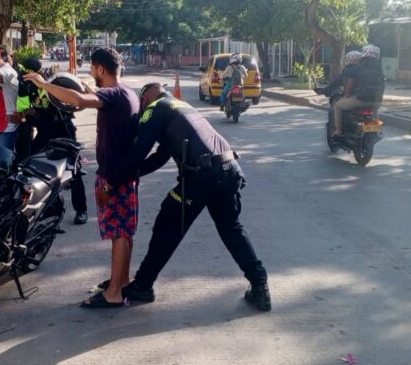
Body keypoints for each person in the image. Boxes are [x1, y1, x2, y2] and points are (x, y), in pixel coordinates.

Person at [102, 83, 271, 312]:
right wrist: (132, 175)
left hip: (202, 176)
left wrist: (112, 179)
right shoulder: (182, 107)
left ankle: (143, 285)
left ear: (144, 100)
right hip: (229, 169)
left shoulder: (156, 107)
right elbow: (160, 157)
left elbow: (138, 150)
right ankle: (260, 286)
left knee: (167, 225)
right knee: (231, 228)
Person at [24, 47, 140, 308]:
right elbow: (96, 96)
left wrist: (44, 84)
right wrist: (89, 89)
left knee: (119, 233)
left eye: (92, 68)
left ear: (101, 68)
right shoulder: (126, 94)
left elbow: (78, 101)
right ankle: (120, 282)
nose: (91, 72)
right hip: (124, 173)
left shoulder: (112, 95)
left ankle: (113, 293)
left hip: (114, 176)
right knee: (125, 232)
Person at [19, 58, 90, 224]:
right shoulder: (33, 89)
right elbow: (35, 112)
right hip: (44, 135)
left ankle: (81, 210)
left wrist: (34, 116)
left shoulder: (55, 89)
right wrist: (27, 116)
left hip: (64, 136)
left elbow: (54, 119)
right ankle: (38, 207)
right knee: (28, 166)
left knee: (74, 172)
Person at [327, 44, 385, 137]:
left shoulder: (359, 68)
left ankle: (338, 130)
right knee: (374, 109)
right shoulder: (380, 71)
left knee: (337, 105)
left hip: (361, 100)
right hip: (377, 101)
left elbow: (350, 85)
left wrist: (346, 96)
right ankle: (376, 130)